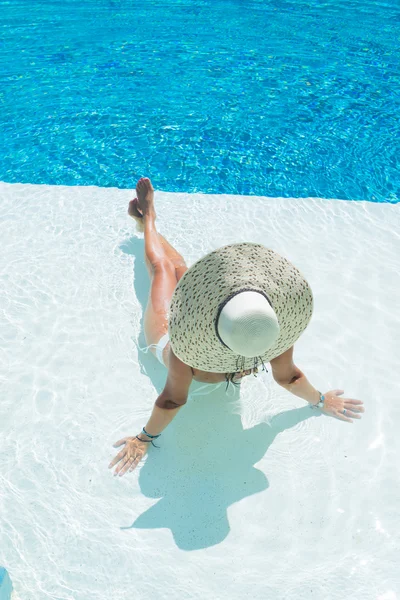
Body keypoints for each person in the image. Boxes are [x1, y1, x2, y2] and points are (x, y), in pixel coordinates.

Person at [109, 178, 364, 477]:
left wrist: (144, 438)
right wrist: (319, 400)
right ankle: (148, 219)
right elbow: (289, 377)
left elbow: (173, 399)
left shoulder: (200, 347)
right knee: (176, 266)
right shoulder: (270, 333)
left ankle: (147, 217)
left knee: (166, 269)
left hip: (165, 336)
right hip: (172, 336)